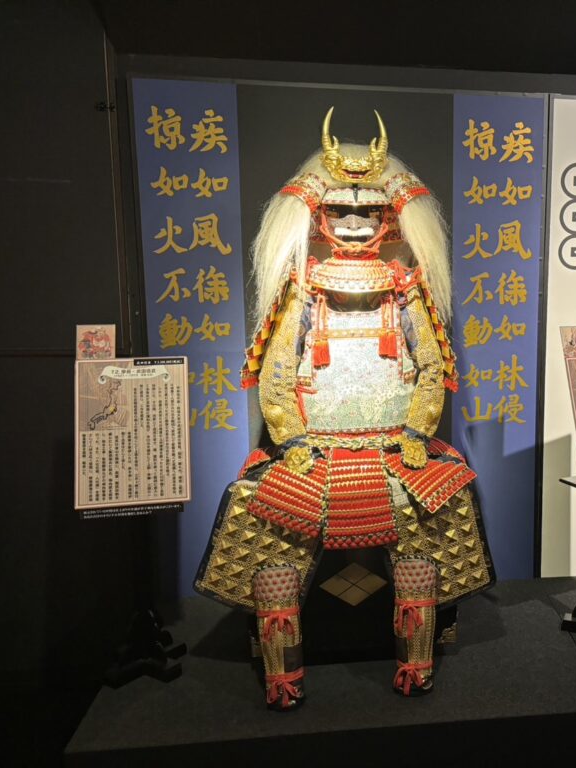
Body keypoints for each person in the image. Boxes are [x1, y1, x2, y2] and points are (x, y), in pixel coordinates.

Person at [195, 108, 494, 707]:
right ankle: (283, 671)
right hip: (313, 452)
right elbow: (277, 373)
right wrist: (290, 439)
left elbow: (431, 366)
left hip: (395, 448)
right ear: (320, 217)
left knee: (429, 521)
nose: (355, 225)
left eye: (368, 214)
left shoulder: (406, 288)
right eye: (341, 213)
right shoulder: (301, 288)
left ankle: (416, 661)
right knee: (269, 528)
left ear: (388, 219)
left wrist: (418, 431)